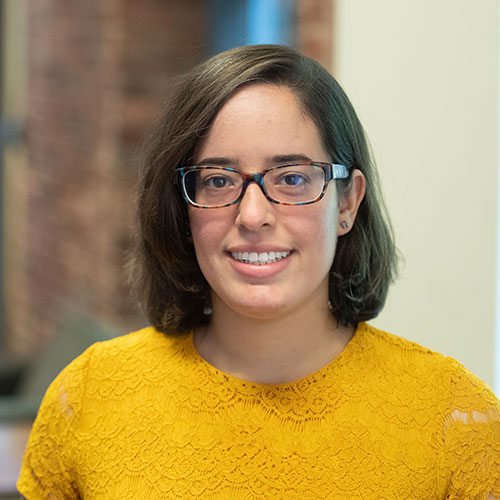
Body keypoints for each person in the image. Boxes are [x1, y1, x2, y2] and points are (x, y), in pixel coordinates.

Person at [18, 45, 499, 499]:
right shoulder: (88, 397)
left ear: (347, 201)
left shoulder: (454, 420)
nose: (252, 216)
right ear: (183, 208)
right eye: (219, 180)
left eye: (292, 178)